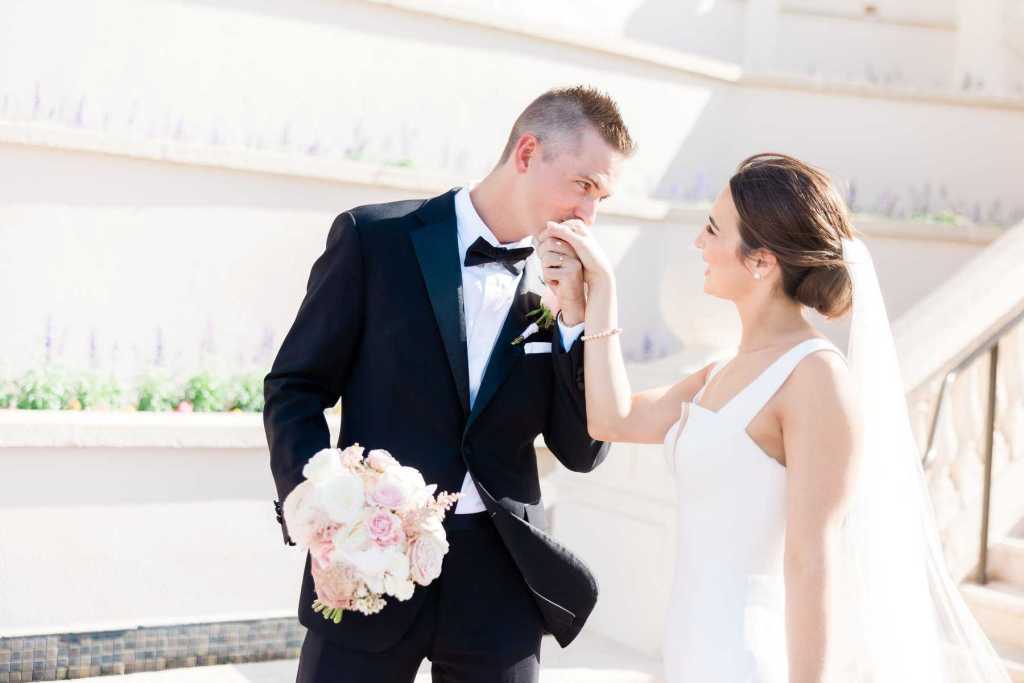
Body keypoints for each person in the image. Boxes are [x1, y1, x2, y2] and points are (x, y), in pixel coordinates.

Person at [544, 153, 1011, 682]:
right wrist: (595, 297)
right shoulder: (719, 374)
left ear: (761, 261)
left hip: (748, 659)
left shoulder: (815, 378)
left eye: (713, 230)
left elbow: (812, 563)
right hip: (688, 650)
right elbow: (612, 420)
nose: (698, 243)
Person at [263, 85, 635, 683]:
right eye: (583, 186)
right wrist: (323, 511)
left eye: (602, 196)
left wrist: (575, 321)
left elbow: (582, 450)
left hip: (499, 582)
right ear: (527, 152)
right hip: (369, 562)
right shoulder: (375, 239)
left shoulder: (565, 288)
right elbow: (294, 387)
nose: (589, 214)